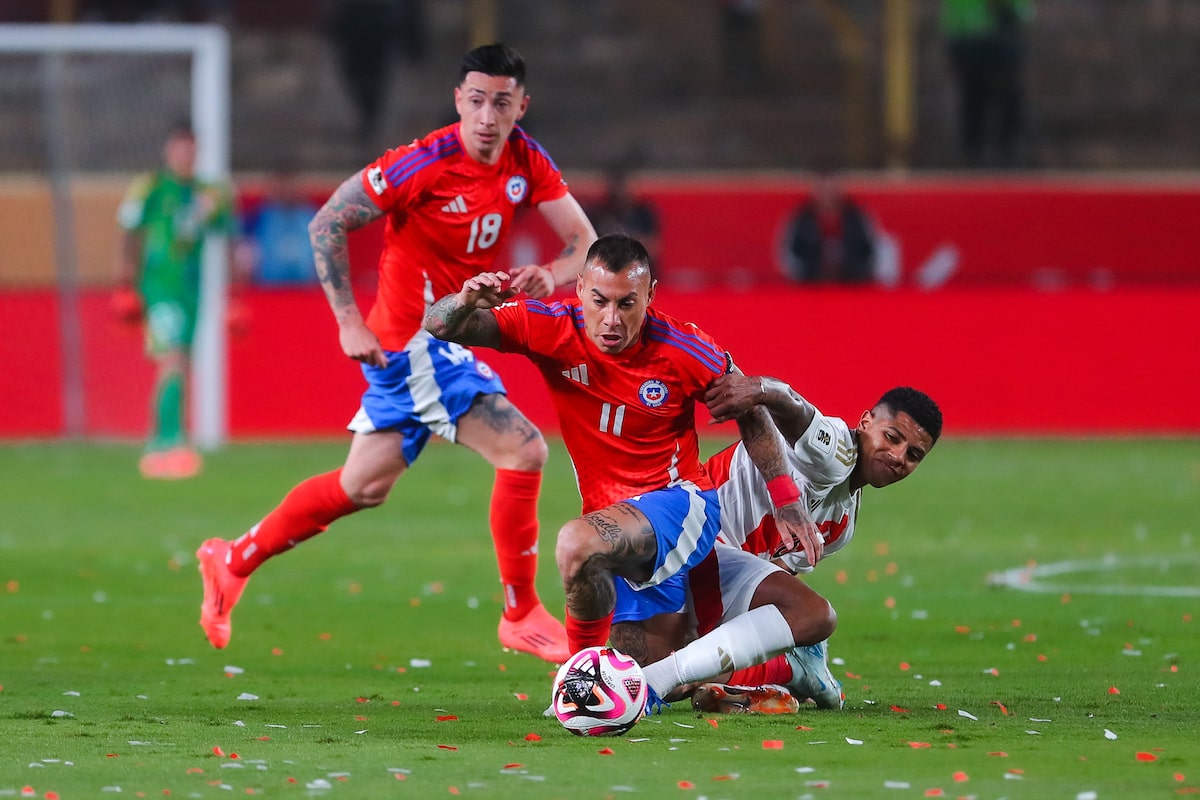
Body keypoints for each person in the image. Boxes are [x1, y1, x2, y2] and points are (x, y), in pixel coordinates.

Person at [194, 43, 597, 663]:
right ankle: (520, 613)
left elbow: (583, 243)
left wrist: (552, 271)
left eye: (502, 102)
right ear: (458, 100)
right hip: (411, 341)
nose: (488, 116)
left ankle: (233, 559)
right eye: (476, 100)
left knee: (362, 485)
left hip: (446, 337)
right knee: (523, 449)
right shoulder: (424, 163)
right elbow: (327, 221)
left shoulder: (525, 159)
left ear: (522, 105)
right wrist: (348, 321)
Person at [424, 233, 826, 708]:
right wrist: (466, 300)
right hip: (615, 525)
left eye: (626, 303)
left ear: (650, 295)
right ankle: (778, 673)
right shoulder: (549, 327)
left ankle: (572, 682)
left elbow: (752, 413)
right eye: (600, 301)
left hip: (682, 506)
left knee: (575, 544)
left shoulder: (683, 349)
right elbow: (441, 325)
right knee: (641, 682)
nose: (612, 319)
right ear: (579, 290)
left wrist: (787, 500)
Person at [668, 381, 943, 713]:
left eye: (914, 455)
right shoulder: (836, 448)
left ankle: (773, 673)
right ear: (866, 422)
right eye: (892, 437)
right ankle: (795, 671)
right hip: (685, 545)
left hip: (710, 575)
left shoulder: (841, 525)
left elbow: (775, 583)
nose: (899, 457)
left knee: (677, 676)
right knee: (677, 673)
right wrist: (759, 389)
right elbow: (792, 406)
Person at [112, 120, 237, 480]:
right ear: (169, 151)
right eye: (180, 148)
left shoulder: (209, 194)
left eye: (192, 149)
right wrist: (125, 284)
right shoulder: (150, 187)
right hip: (158, 287)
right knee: (173, 361)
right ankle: (167, 443)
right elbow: (129, 233)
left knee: (180, 365)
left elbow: (229, 238)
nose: (186, 155)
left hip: (191, 291)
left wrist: (236, 295)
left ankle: (164, 443)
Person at [941, 0, 1035, 167]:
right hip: (970, 41)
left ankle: (1008, 147)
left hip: (1000, 38)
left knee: (1007, 96)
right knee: (973, 97)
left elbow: (1023, 12)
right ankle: (973, 152)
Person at [780, 169, 878, 284]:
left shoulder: (857, 217)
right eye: (823, 187)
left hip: (852, 285)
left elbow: (870, 251)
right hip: (810, 286)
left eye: (831, 187)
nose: (827, 193)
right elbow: (790, 257)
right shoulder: (801, 219)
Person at [237, 167, 320, 287]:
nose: (287, 191)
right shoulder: (258, 217)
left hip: (306, 293)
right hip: (267, 290)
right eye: (282, 186)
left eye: (291, 186)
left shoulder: (313, 217)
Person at [585, 166, 662, 268]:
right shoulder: (601, 215)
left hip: (640, 271)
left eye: (623, 188)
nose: (620, 193)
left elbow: (653, 249)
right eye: (616, 189)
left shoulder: (644, 213)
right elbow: (591, 251)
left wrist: (625, 240)